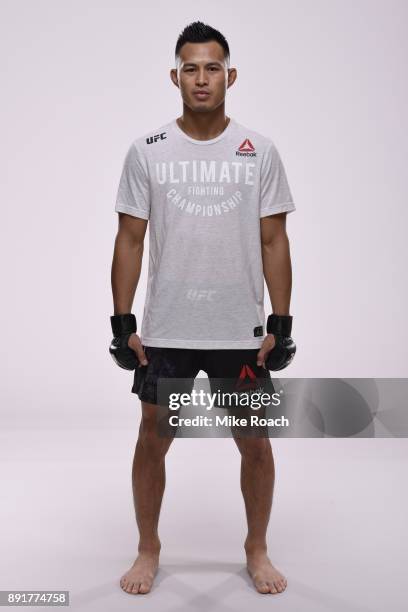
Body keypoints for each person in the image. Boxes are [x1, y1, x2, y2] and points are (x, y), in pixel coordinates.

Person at [110, 21, 296, 596]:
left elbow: (273, 241)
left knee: (255, 440)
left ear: (229, 75)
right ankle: (148, 548)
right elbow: (130, 239)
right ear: (175, 76)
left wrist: (281, 325)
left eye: (212, 67)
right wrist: (123, 324)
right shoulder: (148, 151)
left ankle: (256, 549)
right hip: (167, 327)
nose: (201, 78)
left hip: (239, 329)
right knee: (153, 434)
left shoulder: (259, 151)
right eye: (190, 67)